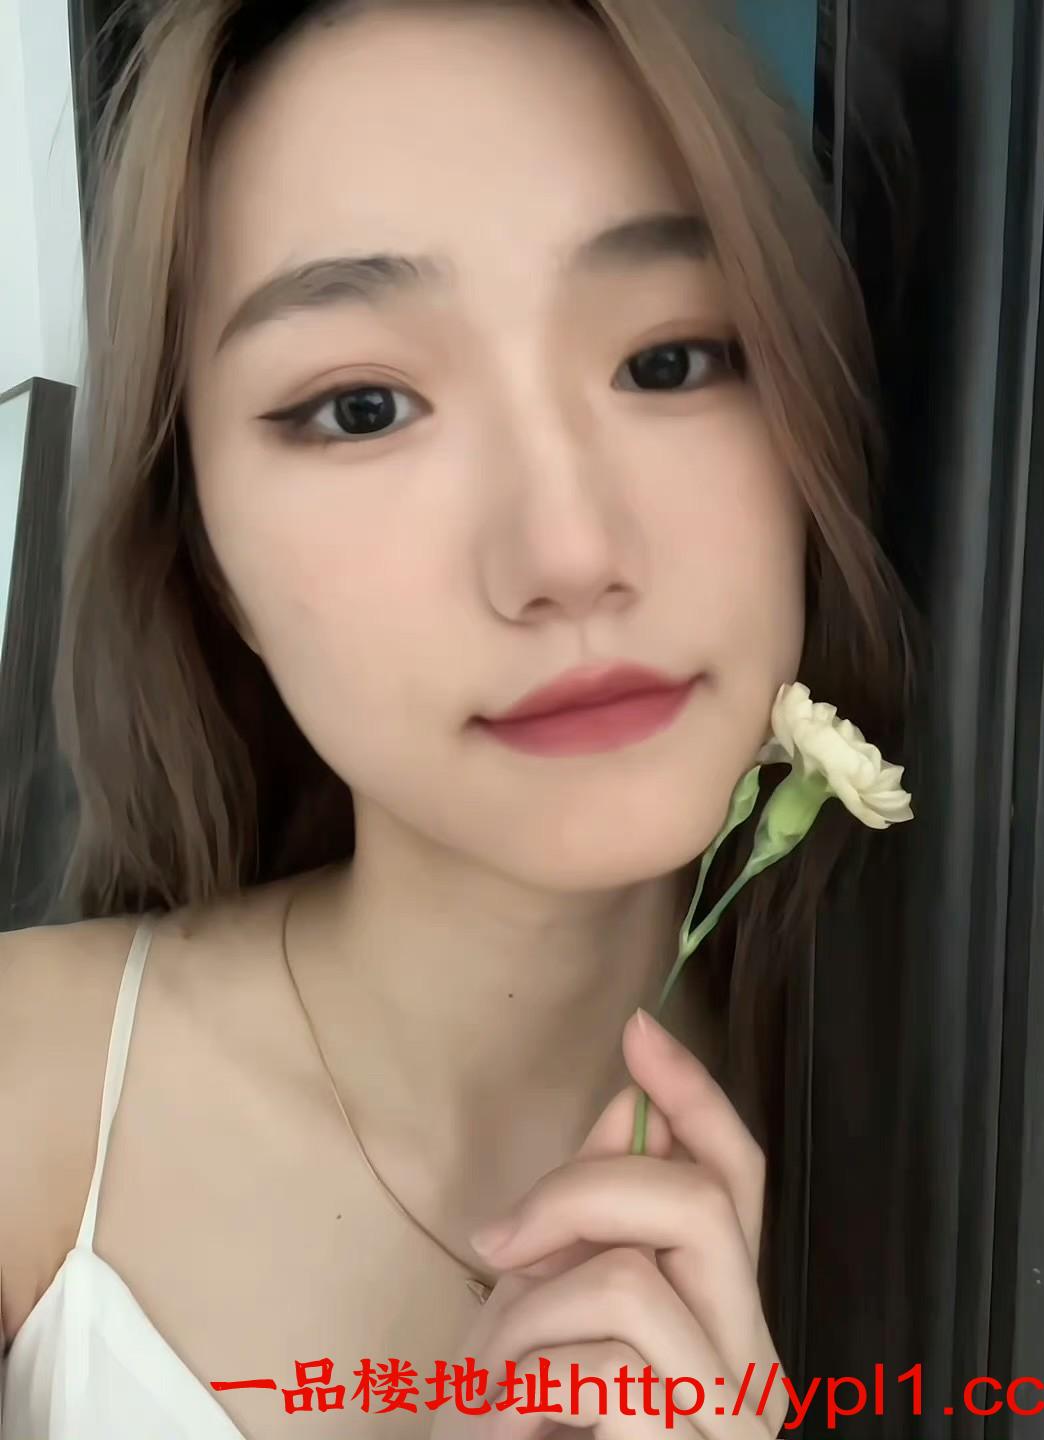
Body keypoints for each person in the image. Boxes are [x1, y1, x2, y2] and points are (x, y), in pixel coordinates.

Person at [0, 0, 912, 1435]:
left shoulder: (985, 1146)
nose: (567, 552)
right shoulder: (28, 1095)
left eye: (671, 359)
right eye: (364, 407)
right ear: (204, 551)